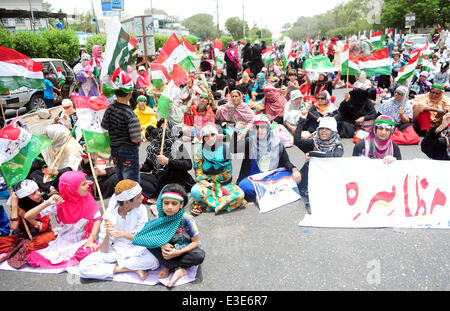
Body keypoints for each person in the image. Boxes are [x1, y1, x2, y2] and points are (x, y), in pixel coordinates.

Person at [79, 179, 159, 281]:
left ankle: (118, 266)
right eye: (139, 197)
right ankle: (129, 269)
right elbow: (103, 250)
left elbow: (142, 238)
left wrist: (121, 234)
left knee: (154, 261)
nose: (143, 198)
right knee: (84, 267)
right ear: (126, 202)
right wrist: (108, 234)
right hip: (116, 252)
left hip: (137, 250)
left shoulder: (141, 210)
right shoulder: (109, 216)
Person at [132, 184, 206, 288]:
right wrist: (162, 244)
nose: (169, 207)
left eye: (174, 203)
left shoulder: (186, 219)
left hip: (182, 250)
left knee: (198, 255)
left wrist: (178, 252)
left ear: (181, 205)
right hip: (167, 250)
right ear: (161, 204)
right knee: (148, 242)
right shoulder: (161, 218)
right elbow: (146, 236)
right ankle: (177, 268)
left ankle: (168, 266)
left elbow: (195, 242)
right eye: (166, 203)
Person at [26, 171, 102, 269]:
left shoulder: (88, 199)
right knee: (35, 259)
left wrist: (90, 240)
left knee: (89, 250)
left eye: (86, 182)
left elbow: (97, 219)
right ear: (72, 189)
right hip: (64, 242)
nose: (87, 186)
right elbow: (28, 216)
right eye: (83, 184)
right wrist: (47, 203)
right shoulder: (59, 203)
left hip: (84, 240)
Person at [232, 114, 302, 202]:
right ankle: (263, 193)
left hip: (272, 175)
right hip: (255, 177)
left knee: (297, 176)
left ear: (268, 128)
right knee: (243, 186)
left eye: (263, 127)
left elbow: (286, 162)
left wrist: (294, 170)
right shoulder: (250, 141)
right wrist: (235, 131)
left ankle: (264, 192)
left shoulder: (277, 142)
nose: (259, 130)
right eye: (257, 127)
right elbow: (234, 149)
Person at [190, 123, 246, 215]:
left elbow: (228, 171)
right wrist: (213, 186)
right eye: (206, 136)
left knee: (240, 194)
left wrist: (223, 186)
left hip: (224, 184)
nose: (210, 138)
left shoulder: (224, 149)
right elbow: (199, 176)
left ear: (216, 135)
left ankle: (207, 204)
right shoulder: (198, 152)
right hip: (207, 184)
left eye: (212, 135)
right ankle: (225, 204)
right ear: (203, 138)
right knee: (195, 191)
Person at [0, 180, 56, 269]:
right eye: (33, 193)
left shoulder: (43, 204)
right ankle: (17, 251)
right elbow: (13, 227)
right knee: (2, 242)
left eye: (38, 190)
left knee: (43, 241)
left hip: (42, 235)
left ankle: (10, 253)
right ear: (25, 197)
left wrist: (25, 216)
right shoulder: (19, 206)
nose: (38, 194)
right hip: (24, 237)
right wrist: (15, 207)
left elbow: (42, 227)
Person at [293, 117, 344, 214]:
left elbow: (333, 156)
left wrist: (312, 154)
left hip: (329, 176)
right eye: (321, 128)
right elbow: (297, 141)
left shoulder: (338, 146)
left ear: (333, 131)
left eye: (327, 129)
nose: (323, 131)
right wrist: (300, 123)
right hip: (311, 175)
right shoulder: (314, 141)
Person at [101, 69, 142, 183]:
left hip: (115, 150)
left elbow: (104, 126)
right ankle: (131, 200)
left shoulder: (110, 108)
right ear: (130, 94)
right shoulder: (130, 114)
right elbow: (135, 138)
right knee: (131, 182)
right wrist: (141, 137)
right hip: (128, 151)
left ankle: (121, 200)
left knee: (120, 179)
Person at [140, 120, 195, 203]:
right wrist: (139, 166)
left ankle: (157, 195)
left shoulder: (177, 145)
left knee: (170, 169)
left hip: (174, 180)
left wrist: (168, 161)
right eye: (161, 128)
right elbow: (148, 167)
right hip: (157, 179)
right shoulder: (154, 146)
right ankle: (158, 194)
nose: (162, 132)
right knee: (132, 176)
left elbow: (188, 165)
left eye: (166, 129)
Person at [28, 124, 83, 196]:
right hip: (52, 171)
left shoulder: (71, 148)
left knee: (65, 180)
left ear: (56, 135)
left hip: (66, 174)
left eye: (48, 135)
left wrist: (57, 172)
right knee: (34, 174)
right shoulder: (54, 142)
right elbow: (43, 157)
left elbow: (73, 169)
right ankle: (51, 189)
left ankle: (54, 190)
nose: (46, 137)